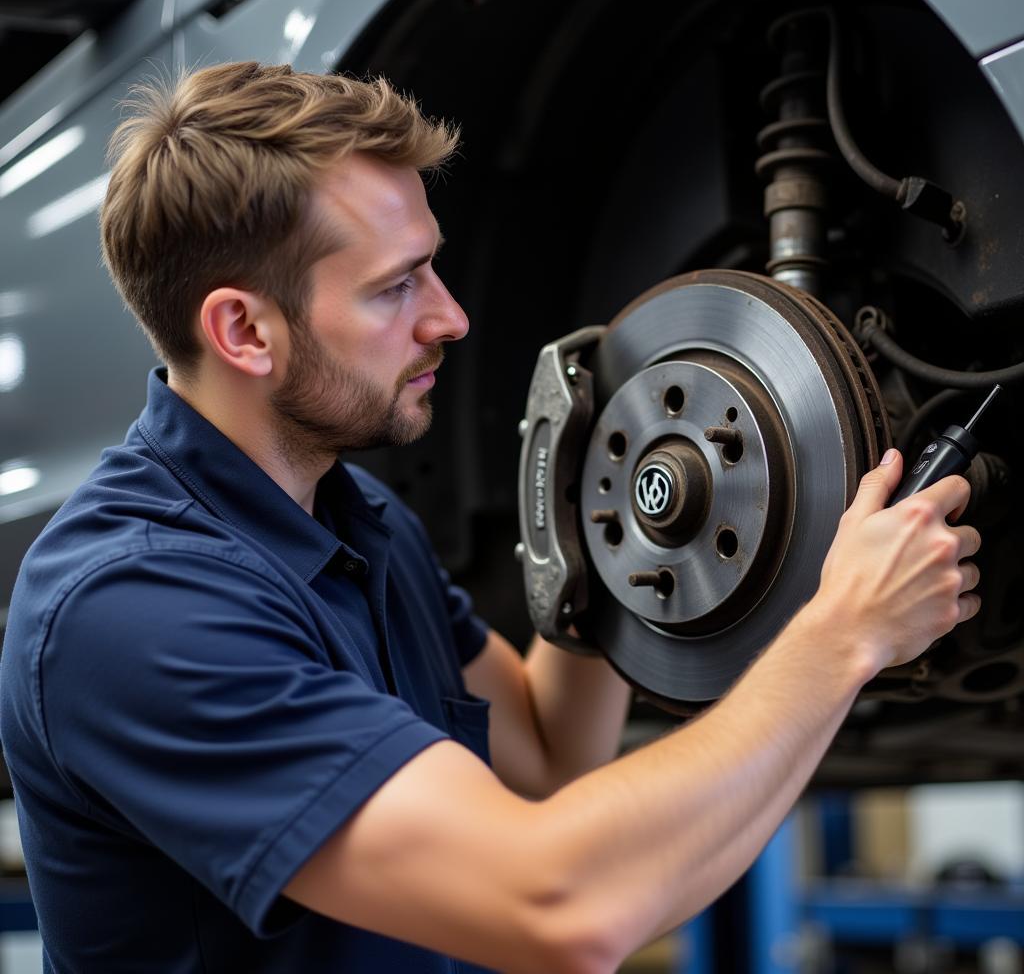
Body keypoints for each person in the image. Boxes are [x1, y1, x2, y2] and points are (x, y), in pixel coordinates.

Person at [0, 61, 981, 974]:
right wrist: (843, 635)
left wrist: (611, 514)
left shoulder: (359, 516)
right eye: (396, 286)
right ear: (243, 330)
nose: (451, 316)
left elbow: (549, 759)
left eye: (430, 267)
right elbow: (563, 906)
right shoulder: (129, 608)